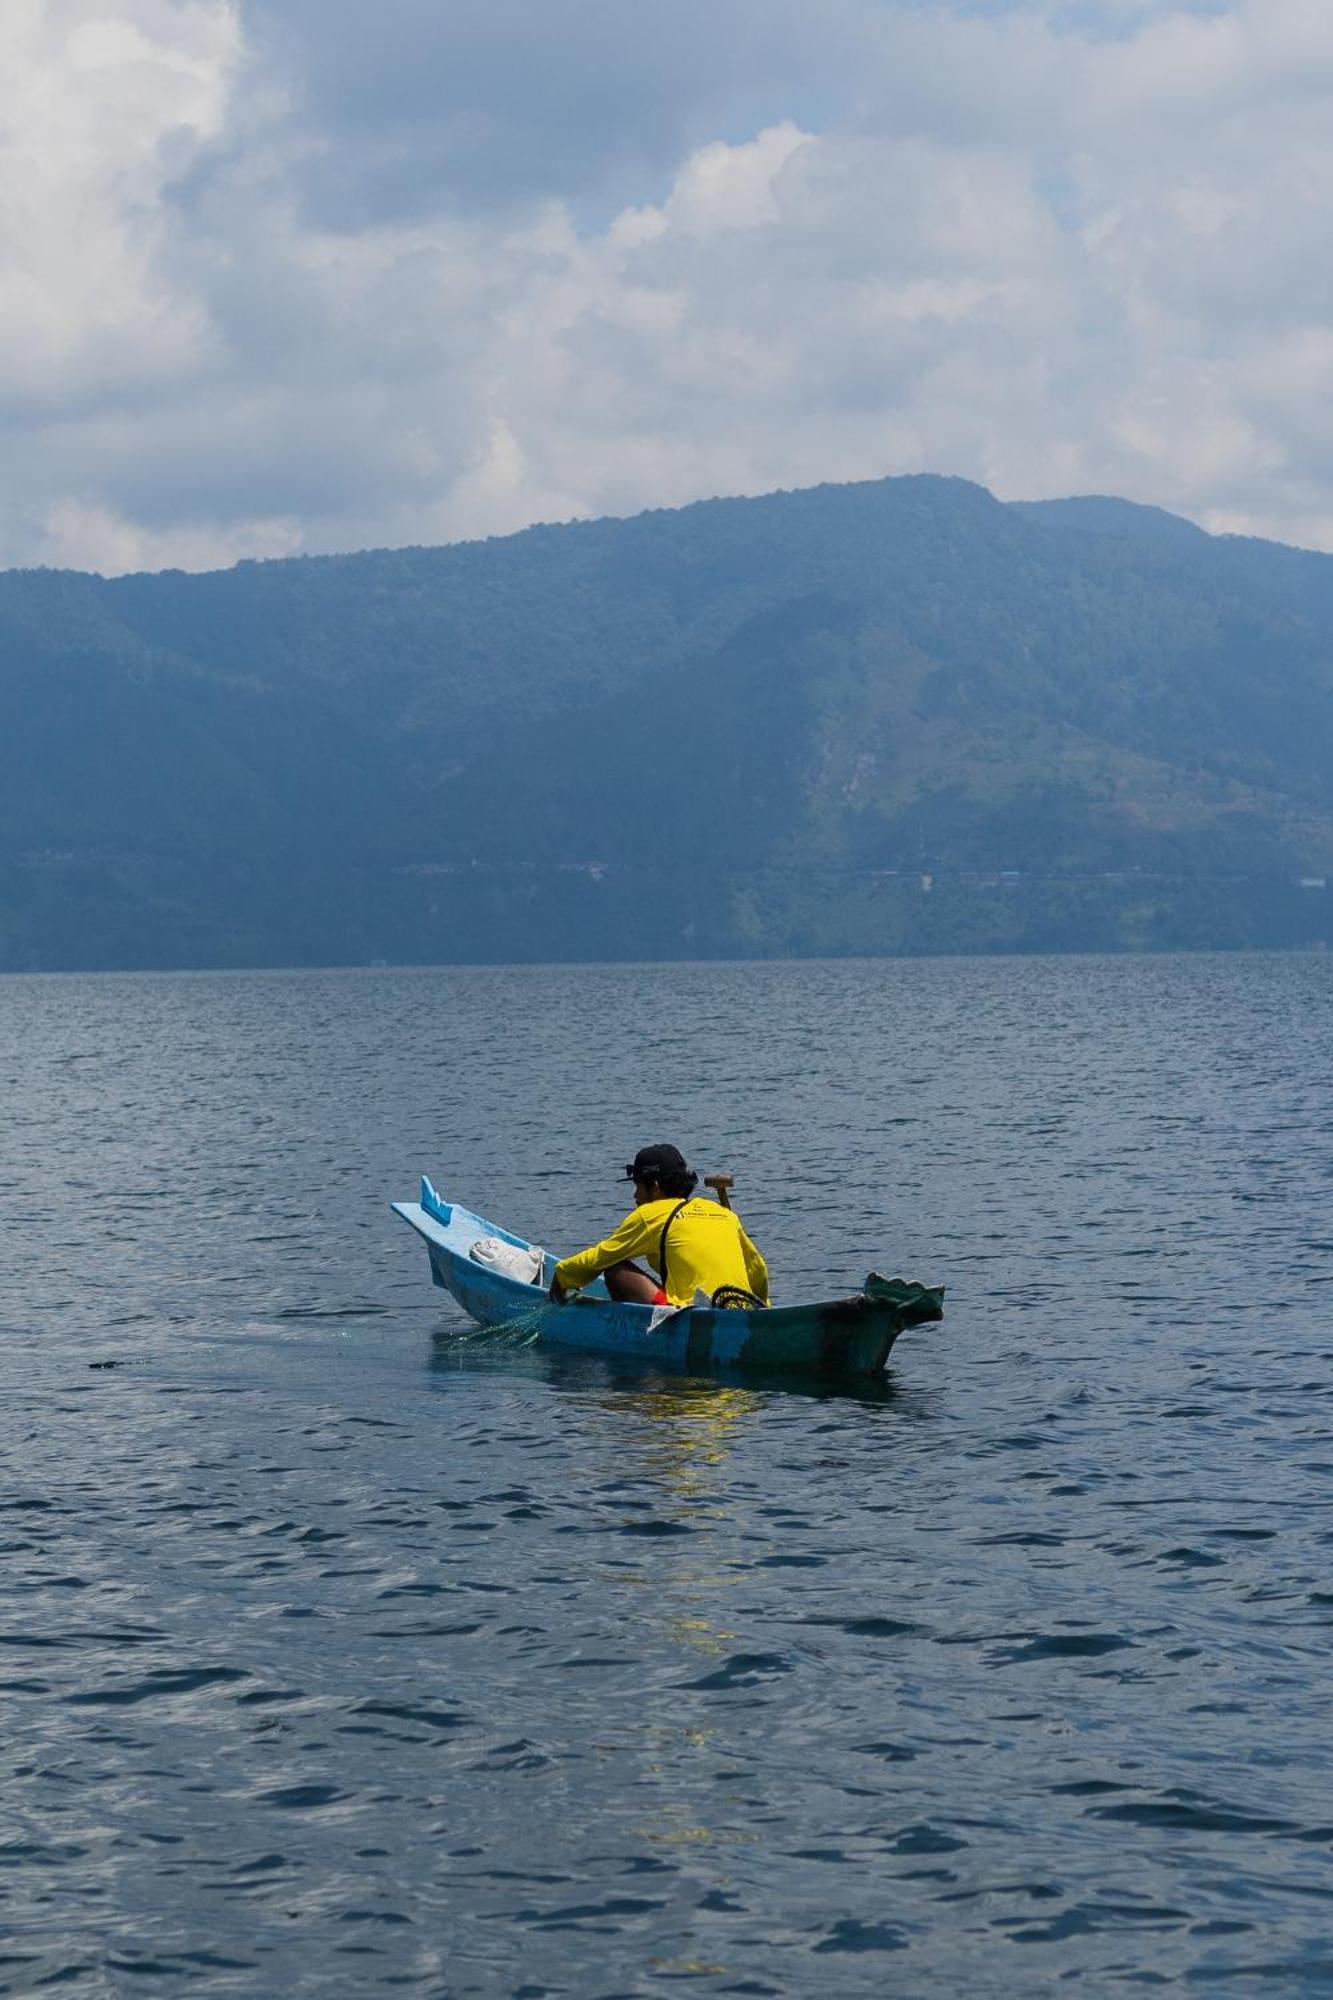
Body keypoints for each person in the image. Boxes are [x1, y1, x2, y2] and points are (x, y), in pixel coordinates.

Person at [549, 1143, 770, 1310]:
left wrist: (562, 1277)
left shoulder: (650, 1214)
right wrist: (763, 1309)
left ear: (655, 1187)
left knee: (614, 1268)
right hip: (740, 1308)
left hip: (690, 1314)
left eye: (637, 1187)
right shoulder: (723, 1214)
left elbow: (600, 1256)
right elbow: (757, 1269)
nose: (635, 1196)